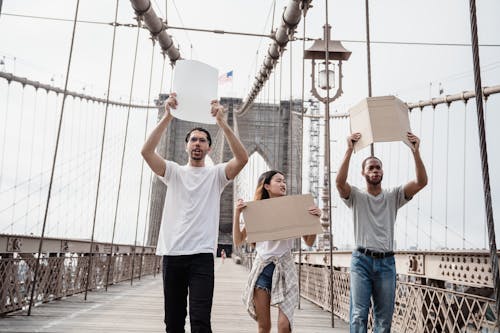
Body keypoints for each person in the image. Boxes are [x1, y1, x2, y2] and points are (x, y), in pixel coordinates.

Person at [141, 92, 248, 333]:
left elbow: (242, 159)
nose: (197, 143)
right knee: (174, 323)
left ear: (210, 148)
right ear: (186, 145)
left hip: (201, 256)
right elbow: (147, 152)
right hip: (173, 254)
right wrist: (168, 116)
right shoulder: (173, 172)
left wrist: (222, 123)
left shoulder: (216, 175)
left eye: (202, 140)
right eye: (193, 140)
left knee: (201, 323)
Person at [335, 132, 428, 333]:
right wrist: (349, 150)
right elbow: (340, 183)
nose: (375, 170)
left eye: (378, 167)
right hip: (361, 260)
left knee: (384, 320)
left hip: (387, 263)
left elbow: (421, 182)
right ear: (363, 173)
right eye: (371, 168)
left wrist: (415, 152)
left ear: (382, 172)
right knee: (359, 315)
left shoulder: (394, 195)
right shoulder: (356, 196)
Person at [233, 170, 321, 333]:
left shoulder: (293, 208)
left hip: (285, 268)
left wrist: (314, 221)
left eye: (284, 181)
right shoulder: (256, 212)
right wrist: (237, 213)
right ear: (266, 185)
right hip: (263, 269)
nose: (283, 184)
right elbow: (238, 240)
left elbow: (309, 241)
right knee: (264, 326)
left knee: (284, 326)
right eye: (278, 181)